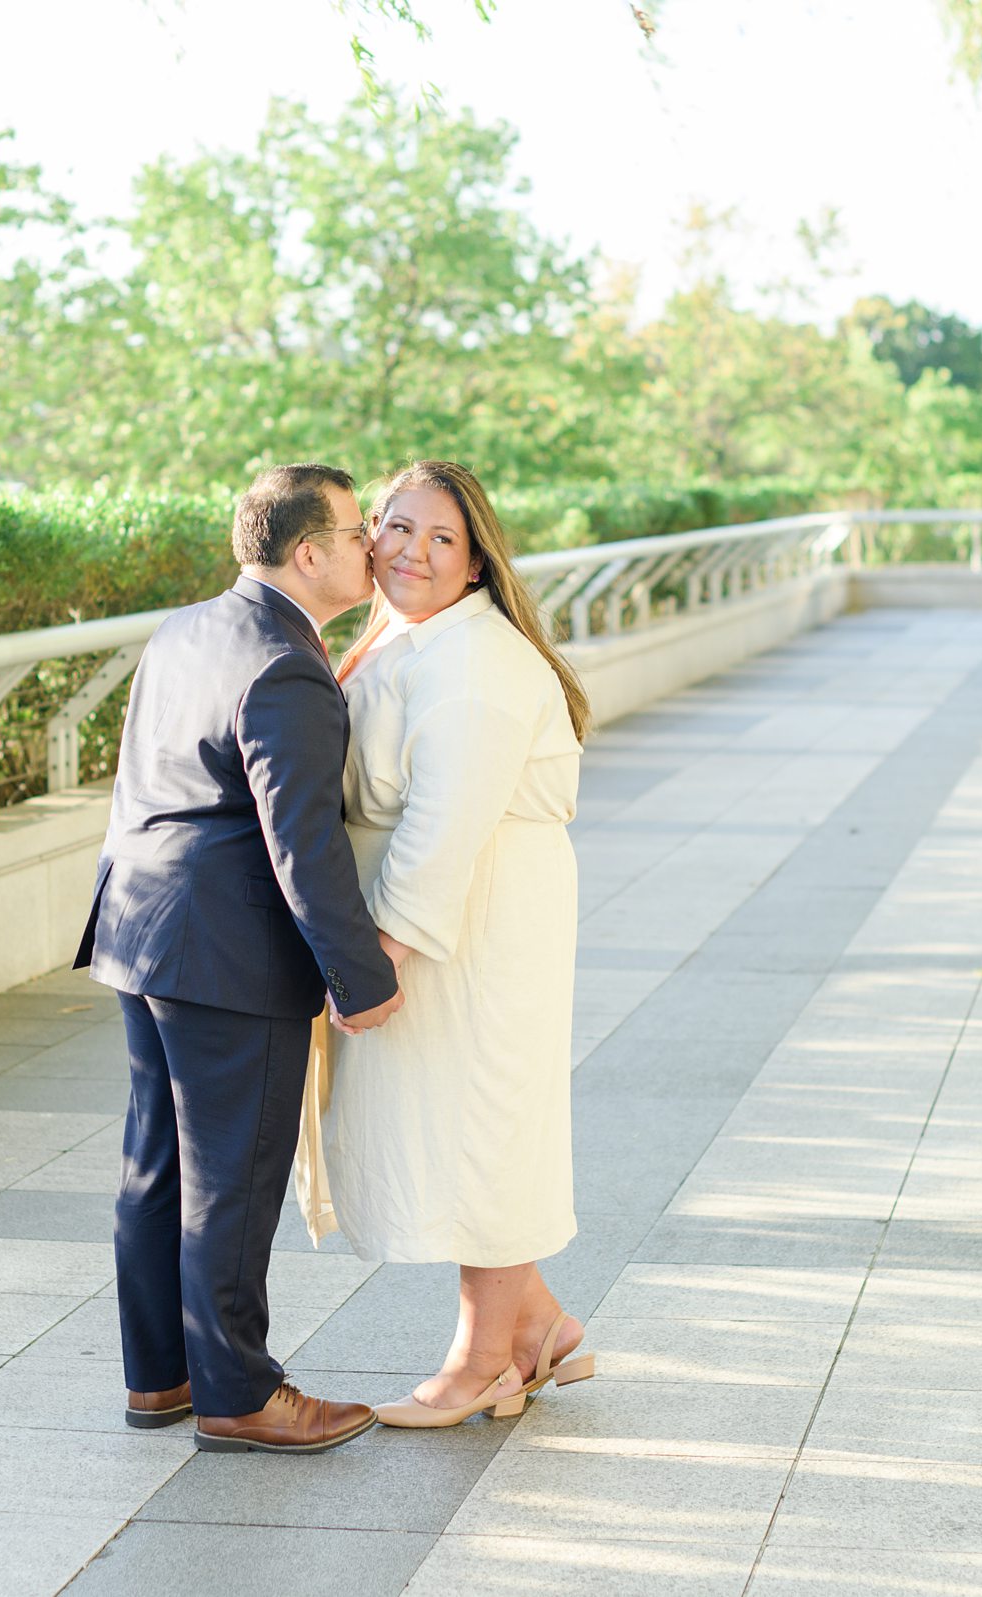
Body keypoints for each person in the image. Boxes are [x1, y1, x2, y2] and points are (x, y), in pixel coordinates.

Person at [75, 462, 403, 1455]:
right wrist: (363, 977)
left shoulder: (186, 628)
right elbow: (301, 843)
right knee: (236, 1172)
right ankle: (238, 1390)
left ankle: (162, 1376)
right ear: (308, 554)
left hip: (141, 926)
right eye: (357, 533)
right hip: (228, 949)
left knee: (158, 1161)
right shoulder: (287, 664)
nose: (373, 546)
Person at [322, 459, 598, 1428]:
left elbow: (444, 822)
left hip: (476, 924)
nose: (412, 552)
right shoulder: (408, 638)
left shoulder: (473, 663)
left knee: (484, 1120)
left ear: (477, 564)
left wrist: (378, 956)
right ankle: (542, 1327)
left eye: (442, 539)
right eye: (397, 527)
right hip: (464, 913)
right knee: (459, 1115)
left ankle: (484, 1360)